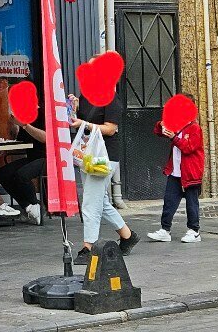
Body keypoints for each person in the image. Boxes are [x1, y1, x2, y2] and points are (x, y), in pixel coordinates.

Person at [70, 93, 140, 265]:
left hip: (104, 157)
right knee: (100, 201)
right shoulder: (85, 97)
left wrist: (84, 124)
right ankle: (127, 236)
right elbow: (82, 123)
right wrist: (75, 108)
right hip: (87, 155)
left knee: (90, 202)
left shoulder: (111, 98)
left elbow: (110, 129)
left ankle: (89, 247)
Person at [148, 106, 205, 244]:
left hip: (190, 173)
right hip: (175, 172)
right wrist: (161, 125)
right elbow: (158, 131)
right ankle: (165, 230)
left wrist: (173, 137)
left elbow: (188, 147)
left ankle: (194, 231)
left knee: (191, 203)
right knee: (169, 201)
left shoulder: (195, 128)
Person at [0, 113, 48, 225]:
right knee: (3, 173)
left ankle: (35, 205)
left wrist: (25, 125)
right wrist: (5, 149)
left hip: (49, 158)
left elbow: (45, 138)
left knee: (22, 174)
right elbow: (21, 143)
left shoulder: (44, 115)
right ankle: (29, 207)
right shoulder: (26, 117)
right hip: (32, 158)